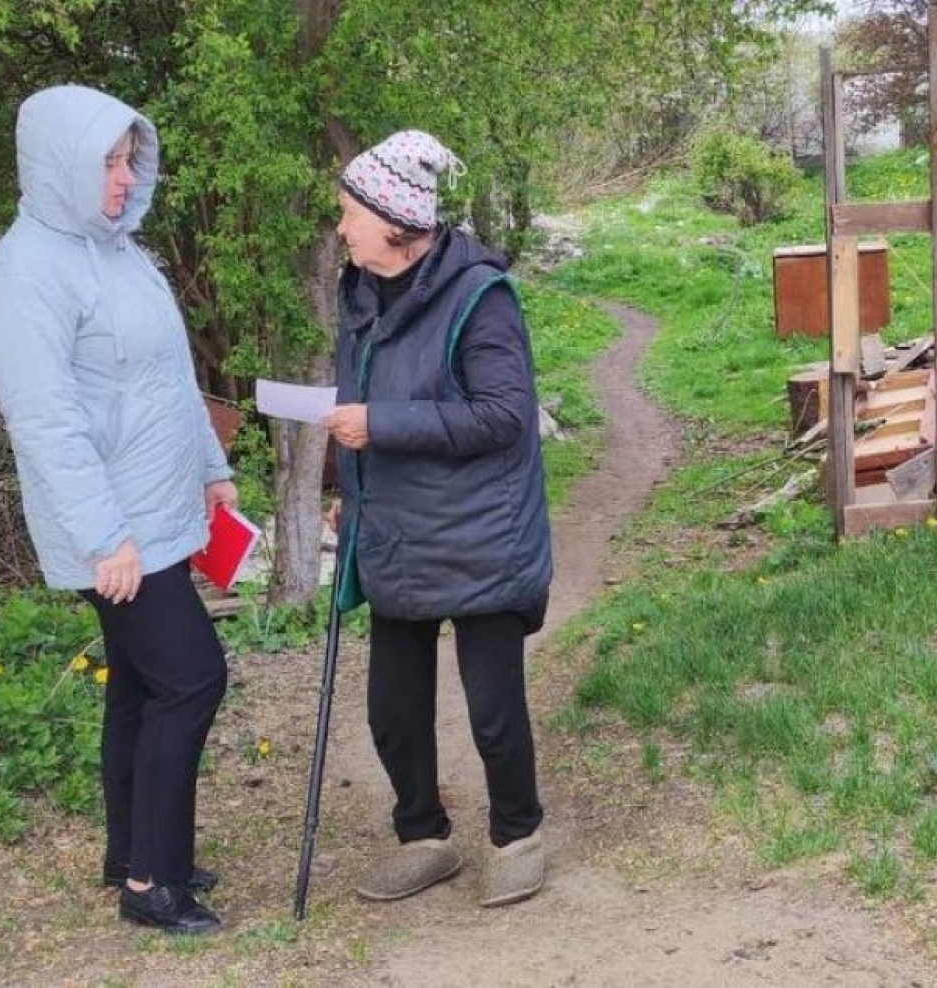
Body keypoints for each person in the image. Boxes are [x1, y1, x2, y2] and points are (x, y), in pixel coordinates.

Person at [0, 85, 233, 935]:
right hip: (114, 528)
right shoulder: (23, 275)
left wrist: (210, 467)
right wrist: (104, 535)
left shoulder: (124, 254)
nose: (125, 180)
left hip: (158, 508)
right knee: (194, 679)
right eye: (108, 164)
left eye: (129, 161)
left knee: (139, 686)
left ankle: (132, 851)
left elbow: (167, 375)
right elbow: (45, 422)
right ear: (59, 167)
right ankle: (152, 886)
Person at [324, 130, 553, 908]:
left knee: (492, 706)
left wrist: (381, 427)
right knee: (391, 708)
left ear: (394, 222)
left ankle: (517, 834)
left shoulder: (480, 297)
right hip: (397, 528)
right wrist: (347, 480)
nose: (340, 228)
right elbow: (353, 400)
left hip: (482, 533)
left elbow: (503, 417)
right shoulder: (359, 295)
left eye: (349, 212)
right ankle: (424, 836)